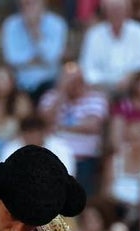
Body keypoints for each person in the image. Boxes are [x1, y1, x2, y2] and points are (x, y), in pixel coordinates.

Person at [37, 60, 108, 196]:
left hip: (84, 159)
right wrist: (62, 93)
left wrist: (59, 126)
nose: (74, 84)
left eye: (77, 79)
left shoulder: (96, 98)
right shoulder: (51, 97)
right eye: (70, 80)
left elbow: (92, 126)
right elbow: (43, 121)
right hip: (54, 158)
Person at [77, 0, 140, 95]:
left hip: (133, 87)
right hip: (101, 88)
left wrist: (131, 77)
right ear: (105, 12)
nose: (116, 13)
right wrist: (106, 83)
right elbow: (87, 67)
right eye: (112, 10)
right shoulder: (93, 34)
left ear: (128, 11)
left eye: (119, 10)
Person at [100, 117, 140, 231]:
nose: (132, 143)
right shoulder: (115, 160)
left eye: (137, 139)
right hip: (116, 208)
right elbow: (106, 191)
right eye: (129, 139)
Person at [0, 0, 65, 100]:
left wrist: (35, 31)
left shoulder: (57, 23)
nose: (29, 4)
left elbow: (52, 57)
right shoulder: (10, 24)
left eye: (33, 2)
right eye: (26, 2)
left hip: (49, 83)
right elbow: (11, 59)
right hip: (19, 84)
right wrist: (40, 61)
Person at [0, 63, 32, 158]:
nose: (2, 83)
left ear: (12, 82)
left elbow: (27, 129)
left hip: (14, 148)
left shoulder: (21, 102)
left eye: (5, 79)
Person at [0, 114, 75, 176]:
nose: (31, 136)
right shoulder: (10, 148)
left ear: (43, 132)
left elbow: (68, 176)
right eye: (28, 132)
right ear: (22, 134)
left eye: (35, 132)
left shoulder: (60, 147)